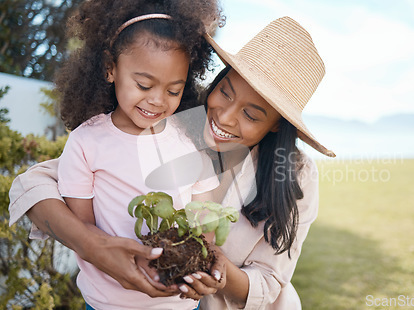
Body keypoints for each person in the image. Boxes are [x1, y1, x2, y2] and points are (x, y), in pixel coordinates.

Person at [9, 16, 335, 309]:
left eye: (251, 115)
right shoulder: (170, 124)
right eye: (224, 92)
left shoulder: (295, 173)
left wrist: (218, 270)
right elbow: (36, 183)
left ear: (278, 124)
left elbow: (269, 281)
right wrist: (94, 246)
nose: (224, 116)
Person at [19, 0, 223, 309]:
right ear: (110, 68)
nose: (157, 100)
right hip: (107, 303)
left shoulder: (190, 142)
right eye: (143, 84)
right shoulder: (87, 141)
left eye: (173, 91)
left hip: (177, 305)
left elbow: (205, 224)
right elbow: (83, 225)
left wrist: (202, 260)